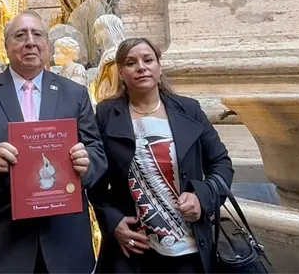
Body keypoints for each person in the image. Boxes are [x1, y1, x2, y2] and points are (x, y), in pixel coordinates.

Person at [0, 10, 107, 274]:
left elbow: (97, 152)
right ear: (7, 45)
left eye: (37, 34)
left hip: (62, 243)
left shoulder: (74, 94)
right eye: (20, 35)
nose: (30, 41)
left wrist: (87, 162)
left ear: (47, 44)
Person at [88, 38, 234, 274]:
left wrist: (202, 198)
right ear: (121, 73)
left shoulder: (189, 110)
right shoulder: (106, 115)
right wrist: (112, 222)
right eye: (131, 62)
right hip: (133, 247)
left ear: (159, 66)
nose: (141, 67)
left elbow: (221, 164)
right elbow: (94, 178)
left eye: (148, 60)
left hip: (188, 247)